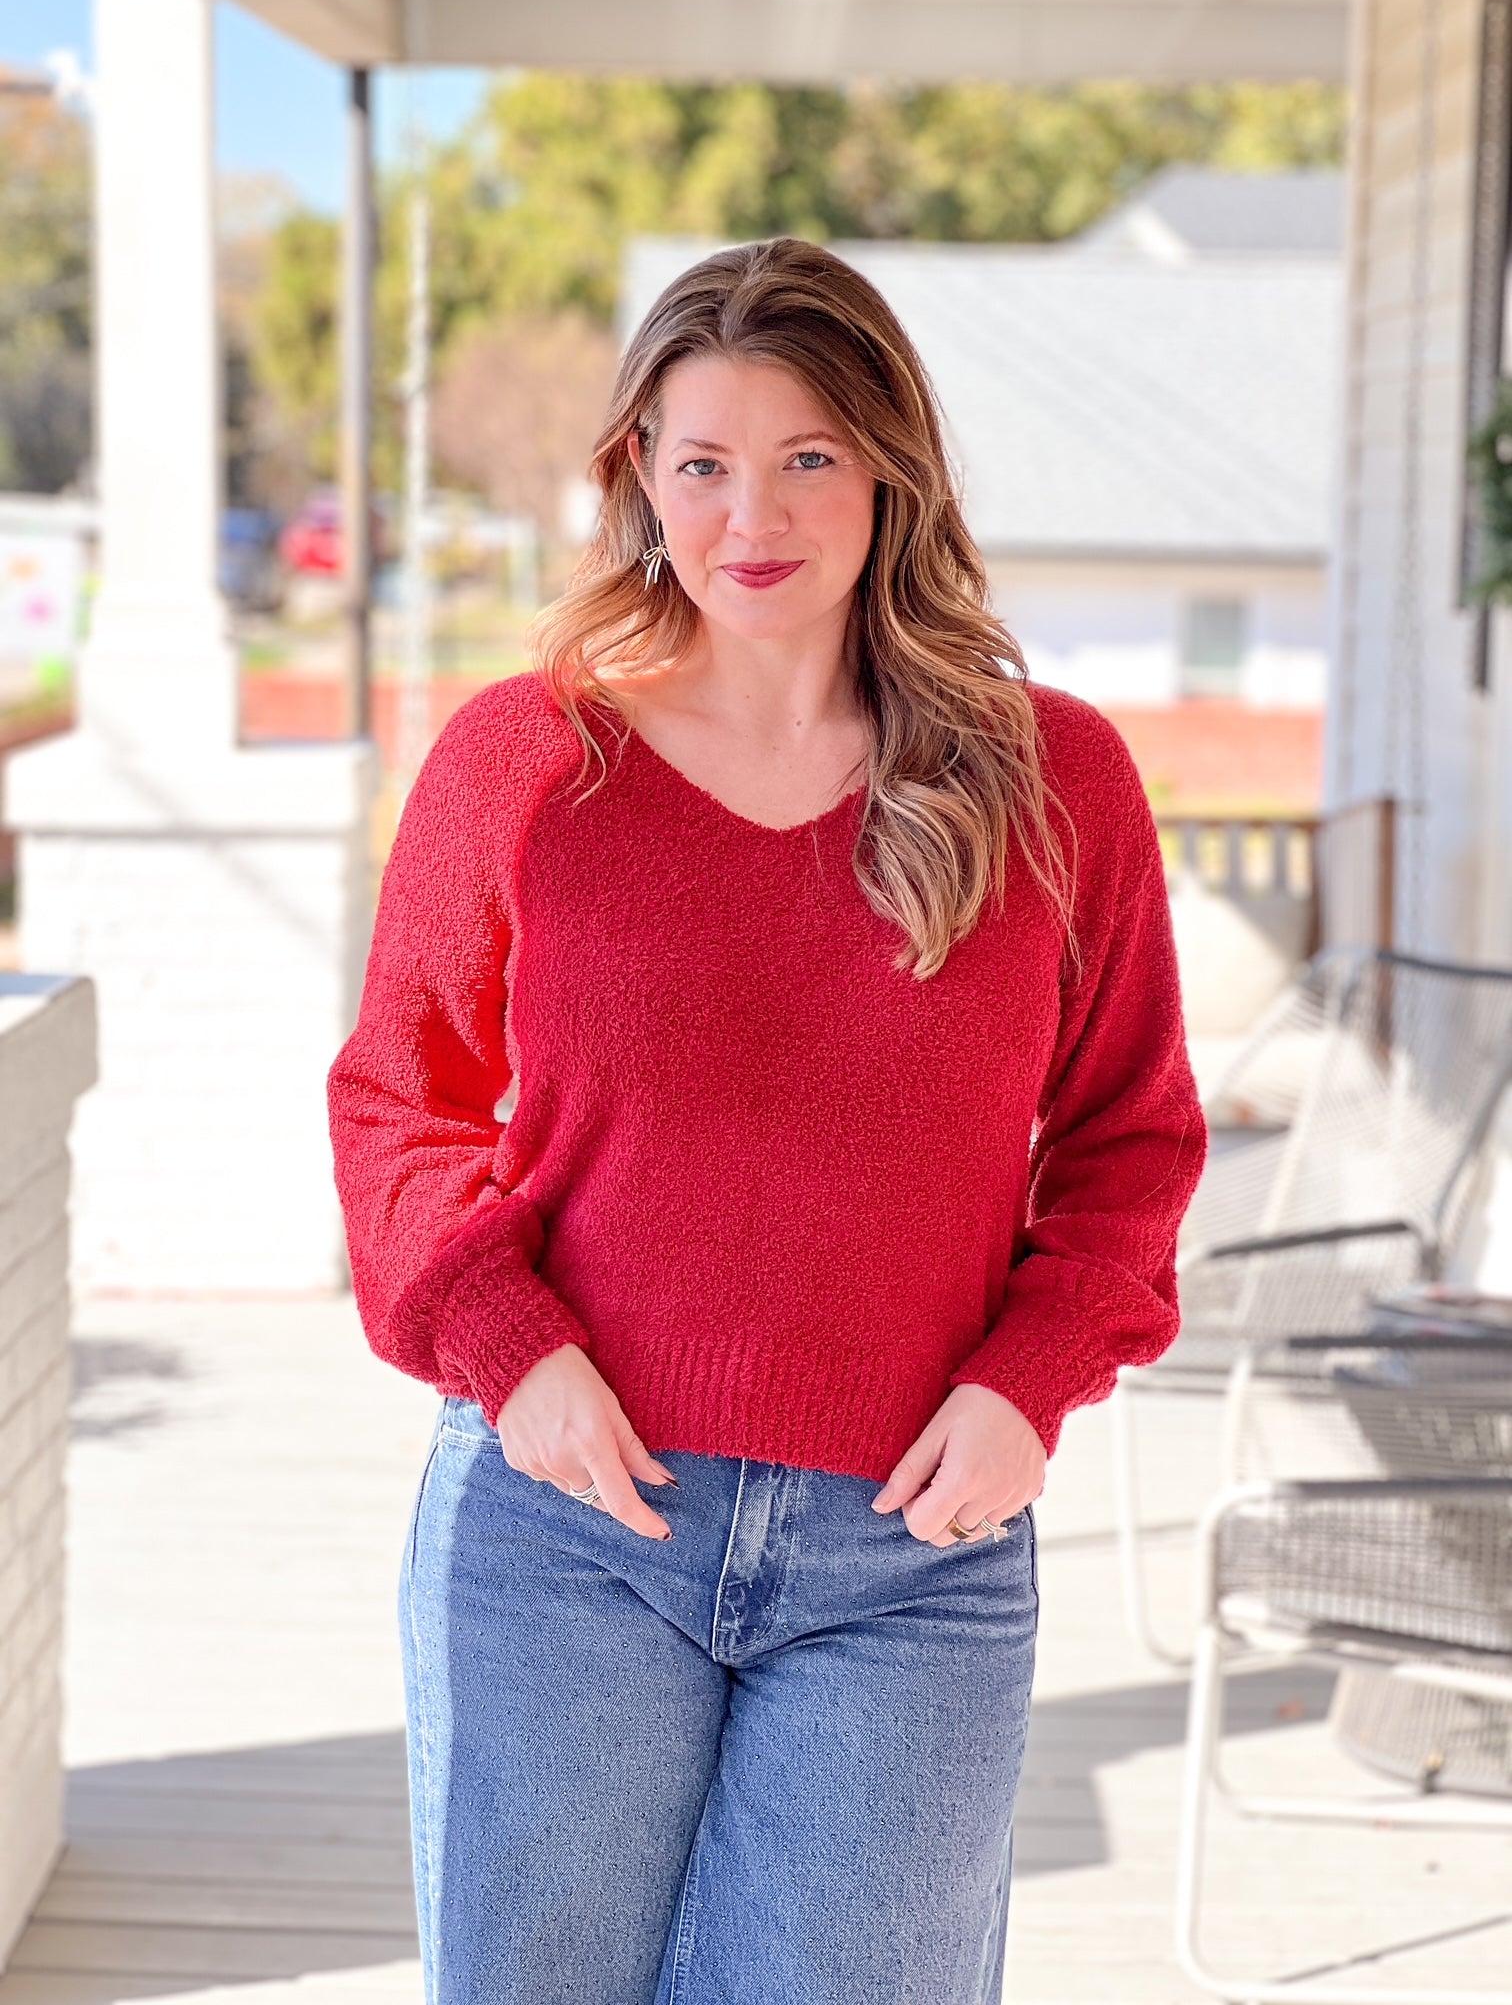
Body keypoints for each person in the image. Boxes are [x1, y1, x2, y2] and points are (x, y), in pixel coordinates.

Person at [327, 236, 1207, 2005]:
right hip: (568, 1523)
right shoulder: (527, 761)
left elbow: (1129, 1140)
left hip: (913, 1554)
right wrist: (509, 1343)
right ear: (638, 476)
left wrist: (1027, 1382)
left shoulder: (1053, 783)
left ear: (891, 471)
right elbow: (398, 1102)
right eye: (703, 460)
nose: (754, 514)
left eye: (808, 456)